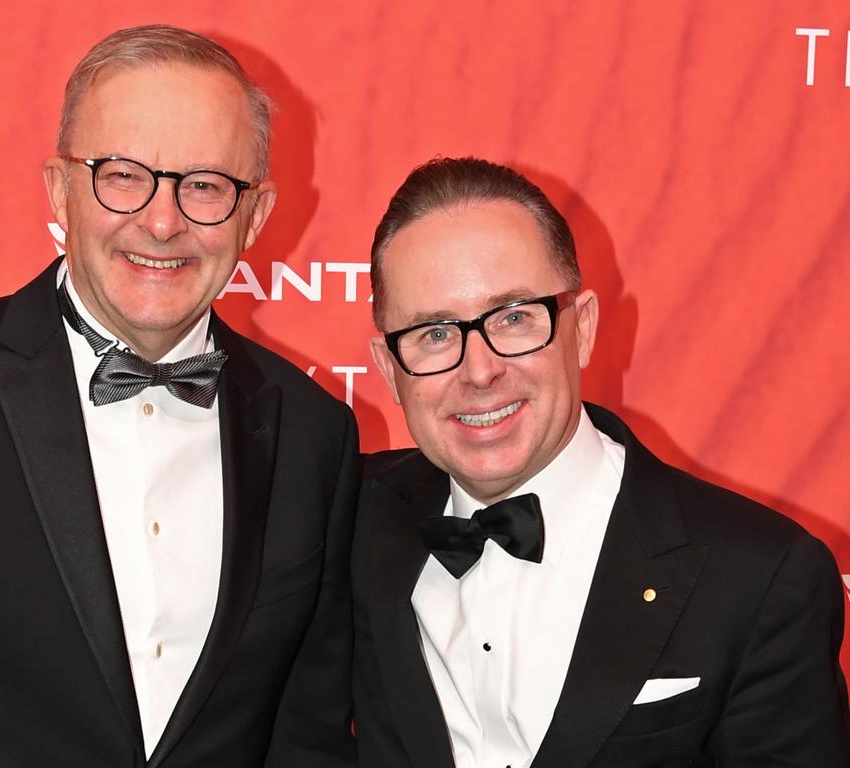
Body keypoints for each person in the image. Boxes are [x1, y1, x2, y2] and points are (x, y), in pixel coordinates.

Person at [0, 25, 358, 768]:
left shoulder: (315, 436)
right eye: (123, 174)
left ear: (255, 214)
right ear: (59, 189)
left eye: (204, 184)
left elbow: (308, 740)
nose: (163, 220)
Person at [353, 156, 849, 767]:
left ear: (582, 328)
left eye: (513, 318)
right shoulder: (351, 518)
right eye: (433, 334)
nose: (479, 371)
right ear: (386, 368)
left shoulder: (761, 575)